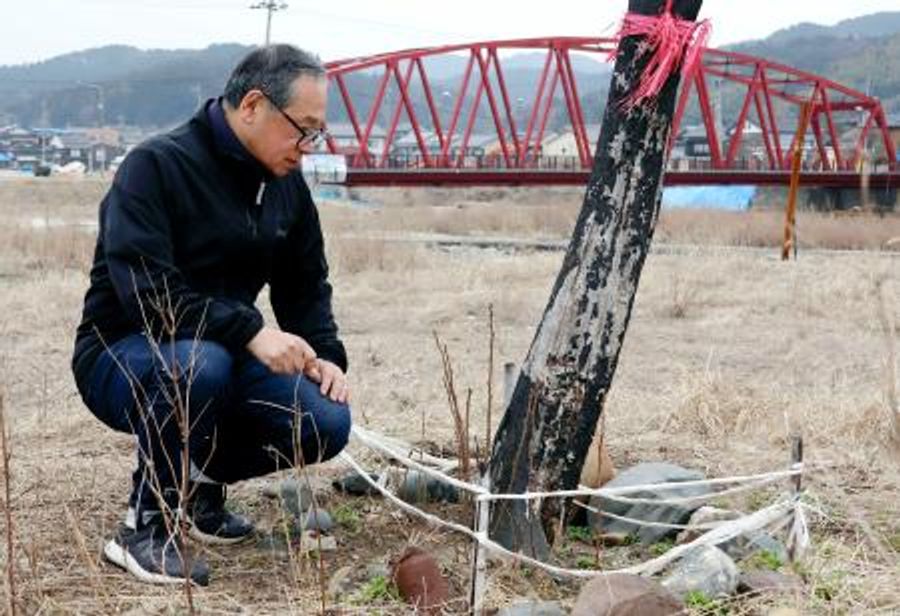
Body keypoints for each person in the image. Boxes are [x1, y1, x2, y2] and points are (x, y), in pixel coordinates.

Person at [71, 44, 351, 586]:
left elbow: (305, 284)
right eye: (303, 129)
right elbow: (150, 297)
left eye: (317, 134)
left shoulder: (284, 185)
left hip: (221, 351)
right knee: (200, 365)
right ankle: (143, 527)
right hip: (121, 351)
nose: (308, 148)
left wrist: (326, 355)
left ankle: (198, 482)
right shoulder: (155, 166)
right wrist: (251, 331)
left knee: (325, 421)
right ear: (253, 105)